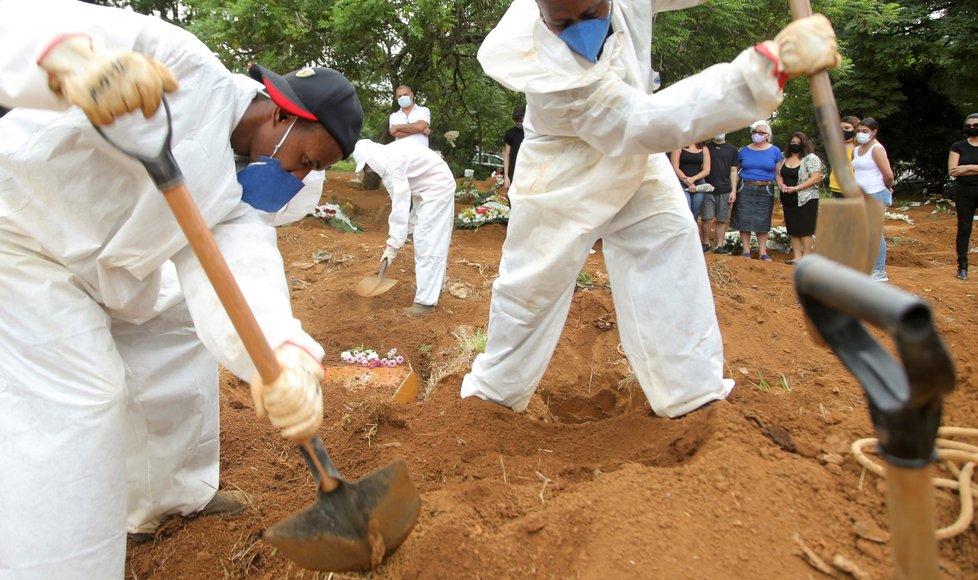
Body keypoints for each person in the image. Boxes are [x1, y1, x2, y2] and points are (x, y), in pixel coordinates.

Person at [0, 0, 363, 576]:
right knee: (83, 398)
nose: (298, 179)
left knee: (174, 330)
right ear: (280, 113)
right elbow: (21, 20)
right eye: (305, 160)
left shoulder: (237, 201)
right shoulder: (182, 66)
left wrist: (283, 355)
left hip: (107, 272)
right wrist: (66, 60)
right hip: (21, 239)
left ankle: (166, 498)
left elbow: (245, 280)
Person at [460, 0, 841, 417]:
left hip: (637, 160)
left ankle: (690, 394)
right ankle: (491, 400)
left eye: (590, 15)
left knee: (669, 244)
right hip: (563, 168)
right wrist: (769, 67)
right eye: (562, 22)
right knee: (531, 286)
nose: (580, 31)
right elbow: (641, 122)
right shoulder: (544, 64)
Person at [352, 138, 455, 317]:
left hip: (437, 189)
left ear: (371, 158)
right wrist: (403, 232)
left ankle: (425, 303)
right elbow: (402, 202)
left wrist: (393, 245)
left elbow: (399, 207)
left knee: (427, 241)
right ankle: (433, 288)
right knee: (425, 237)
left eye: (368, 166)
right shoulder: (391, 156)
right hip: (425, 188)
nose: (369, 170)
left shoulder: (393, 163)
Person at [731, 120, 782, 261]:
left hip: (766, 188)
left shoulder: (775, 151)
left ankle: (762, 252)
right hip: (745, 186)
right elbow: (735, 170)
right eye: (754, 132)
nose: (757, 134)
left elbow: (778, 172)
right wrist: (734, 189)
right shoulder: (744, 150)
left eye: (760, 132)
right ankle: (746, 251)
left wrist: (782, 187)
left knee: (763, 220)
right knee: (743, 218)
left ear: (767, 135)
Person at [852, 117, 894, 282]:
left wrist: (887, 186)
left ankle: (879, 270)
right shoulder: (857, 150)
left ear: (874, 132)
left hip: (875, 193)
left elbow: (888, 174)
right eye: (859, 131)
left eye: (865, 132)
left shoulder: (877, 149)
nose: (861, 134)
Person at [775, 131, 823, 263]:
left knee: (805, 229)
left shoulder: (810, 158)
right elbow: (778, 173)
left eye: (798, 142)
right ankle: (797, 257)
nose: (795, 145)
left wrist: (796, 188)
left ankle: (806, 257)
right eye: (793, 142)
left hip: (806, 198)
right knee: (793, 228)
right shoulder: (784, 158)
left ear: (804, 144)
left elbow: (815, 178)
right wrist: (781, 185)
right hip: (788, 198)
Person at [949, 113, 978, 280]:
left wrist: (966, 167)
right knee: (964, 228)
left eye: (975, 125)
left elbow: (960, 169)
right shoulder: (958, 146)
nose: (972, 128)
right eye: (969, 125)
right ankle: (962, 266)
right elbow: (953, 170)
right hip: (964, 192)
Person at [670, 141, 714, 241]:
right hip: (681, 182)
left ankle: (690, 238)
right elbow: (675, 167)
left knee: (695, 212)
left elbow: (707, 170)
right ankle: (680, 237)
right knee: (685, 211)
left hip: (698, 183)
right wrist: (688, 182)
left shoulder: (704, 148)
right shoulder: (678, 146)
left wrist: (693, 179)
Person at [703, 133, 740, 254]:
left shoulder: (733, 150)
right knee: (706, 218)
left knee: (722, 219)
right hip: (708, 188)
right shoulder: (706, 148)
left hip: (725, 189)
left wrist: (733, 190)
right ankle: (706, 243)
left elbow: (734, 171)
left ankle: (719, 245)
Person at [828, 115, 860, 198]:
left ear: (856, 129)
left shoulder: (859, 148)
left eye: (847, 128)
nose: (843, 131)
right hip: (835, 187)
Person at [503, 105, 525, 189]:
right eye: (517, 121)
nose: (519, 123)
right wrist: (506, 176)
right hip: (513, 172)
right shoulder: (510, 133)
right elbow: (507, 156)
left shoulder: (531, 133)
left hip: (527, 170)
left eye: (521, 121)